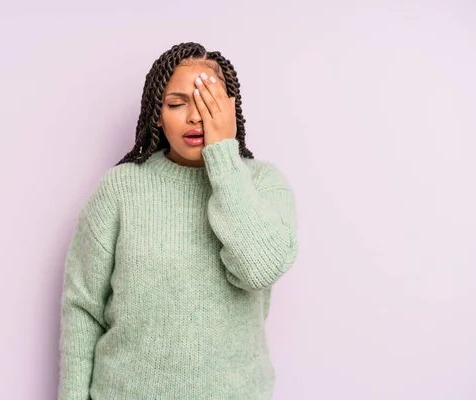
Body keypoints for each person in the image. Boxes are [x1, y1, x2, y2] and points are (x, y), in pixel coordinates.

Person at [58, 42, 299, 399]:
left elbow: (258, 269)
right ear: (157, 112)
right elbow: (83, 308)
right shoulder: (121, 189)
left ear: (230, 110)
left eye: (208, 102)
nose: (195, 116)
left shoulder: (262, 183)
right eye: (177, 103)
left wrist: (223, 159)